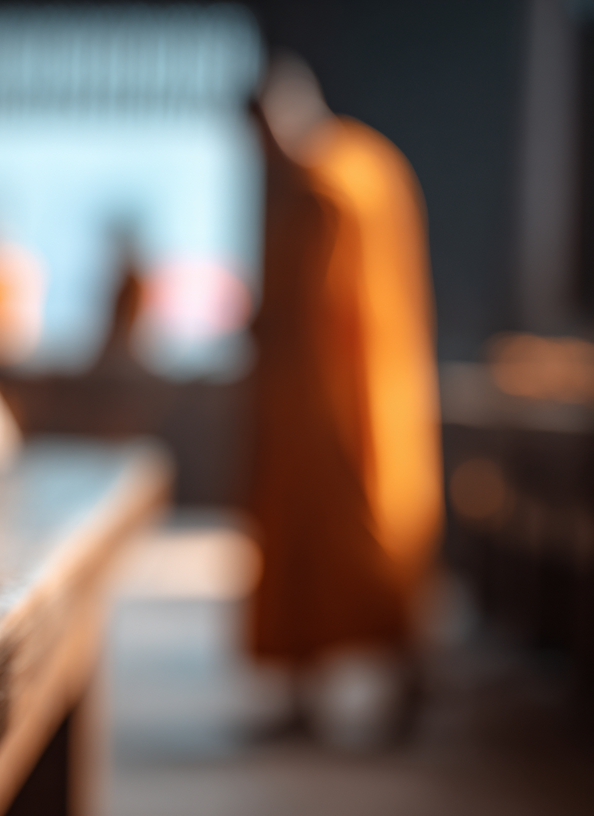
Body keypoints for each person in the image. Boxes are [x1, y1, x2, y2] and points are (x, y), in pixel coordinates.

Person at [247, 55, 443, 745]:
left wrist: (259, 326)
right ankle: (321, 700)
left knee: (360, 541)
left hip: (325, 400)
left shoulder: (319, 183)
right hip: (382, 390)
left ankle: (401, 687)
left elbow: (306, 306)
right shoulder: (373, 161)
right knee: (366, 537)